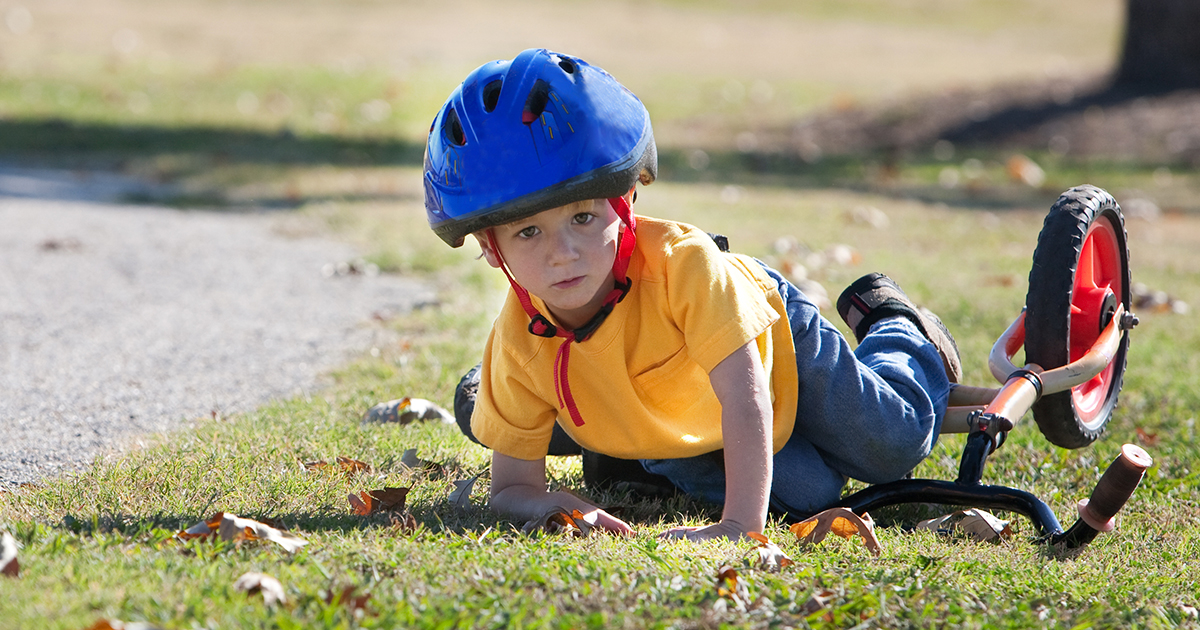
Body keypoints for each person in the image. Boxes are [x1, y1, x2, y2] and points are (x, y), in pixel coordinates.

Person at [422, 48, 961, 541]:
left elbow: (746, 397)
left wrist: (740, 526)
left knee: (892, 444)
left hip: (771, 339)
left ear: (625, 202)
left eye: (583, 217)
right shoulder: (520, 342)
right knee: (807, 495)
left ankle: (894, 323)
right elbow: (510, 489)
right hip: (666, 414)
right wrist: (556, 504)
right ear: (493, 250)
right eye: (528, 232)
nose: (563, 253)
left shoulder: (688, 270)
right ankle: (621, 454)